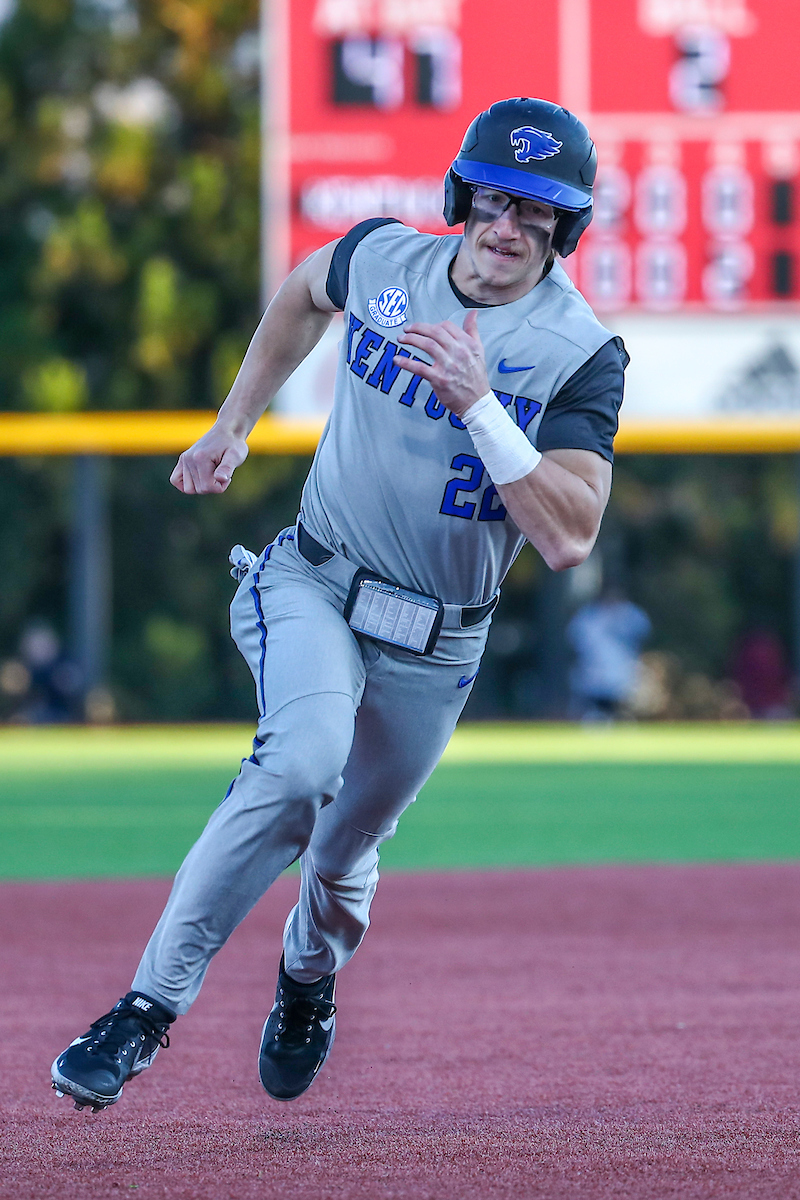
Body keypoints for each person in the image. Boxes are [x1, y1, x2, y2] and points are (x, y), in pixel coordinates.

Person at [51, 97, 628, 1112]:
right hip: (312, 578)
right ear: (463, 196)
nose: (507, 226)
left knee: (343, 851)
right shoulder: (385, 261)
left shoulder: (577, 350)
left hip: (437, 645)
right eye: (494, 198)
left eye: (535, 213)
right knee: (299, 766)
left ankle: (307, 981)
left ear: (563, 229)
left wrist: (481, 409)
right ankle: (144, 1009)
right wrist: (233, 422)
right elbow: (301, 292)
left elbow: (568, 533)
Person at [567, 584, 651, 720]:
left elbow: (642, 636)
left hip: (623, 667)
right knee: (596, 706)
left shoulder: (631, 614)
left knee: (622, 703)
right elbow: (576, 640)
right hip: (594, 668)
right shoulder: (589, 616)